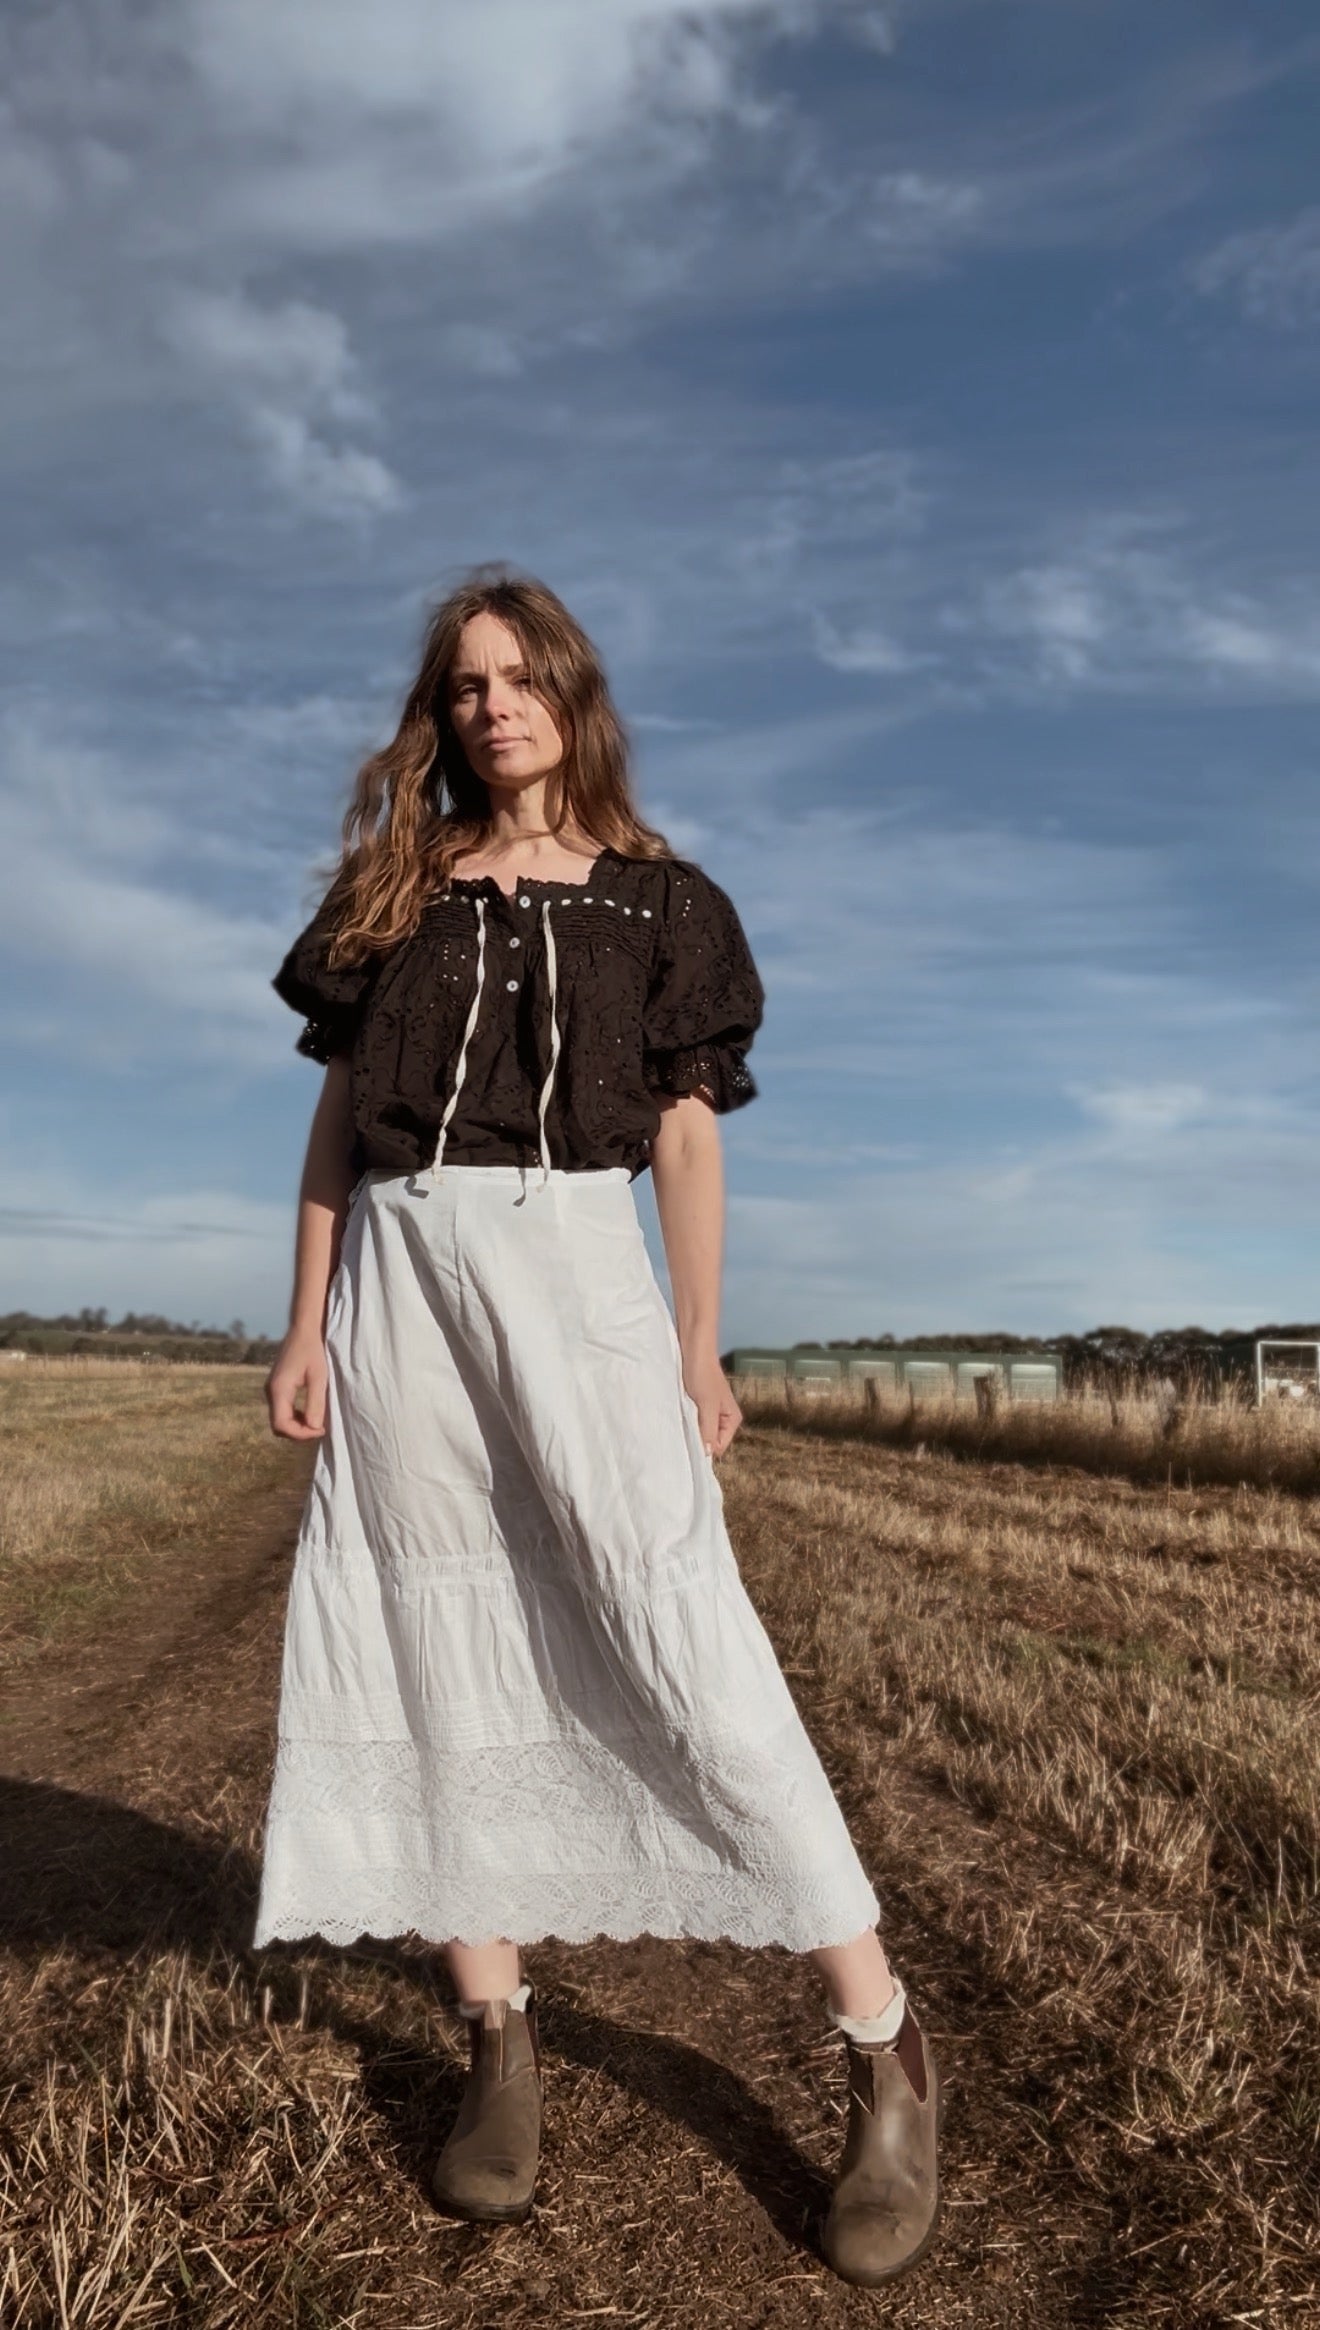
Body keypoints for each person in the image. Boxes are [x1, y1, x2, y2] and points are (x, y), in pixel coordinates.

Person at [255, 568, 941, 2286]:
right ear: (443, 715)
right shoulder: (390, 896)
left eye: (518, 676)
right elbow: (342, 1126)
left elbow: (690, 1146)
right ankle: (496, 2032)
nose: (491, 705)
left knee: (684, 1640)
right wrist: (304, 1322)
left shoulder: (665, 907)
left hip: (582, 1273)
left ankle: (884, 2046)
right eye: (463, 684)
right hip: (404, 1288)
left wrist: (701, 1345)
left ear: (572, 692)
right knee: (426, 1647)